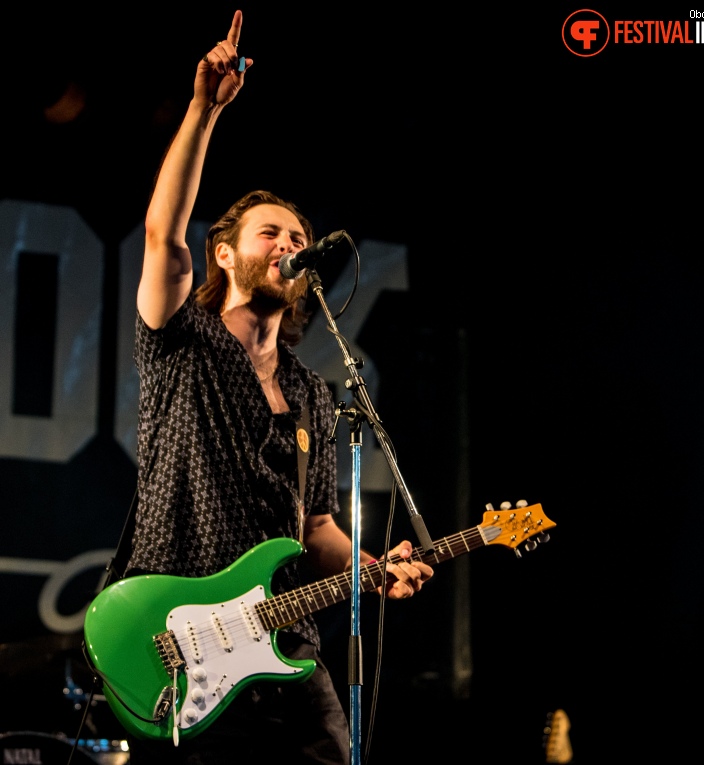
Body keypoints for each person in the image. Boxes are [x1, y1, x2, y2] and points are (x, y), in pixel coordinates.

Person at [123, 8, 434, 764]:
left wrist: (369, 567)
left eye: (298, 237)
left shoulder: (309, 388)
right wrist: (205, 110)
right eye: (271, 233)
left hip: (280, 638)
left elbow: (316, 524)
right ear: (224, 255)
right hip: (182, 633)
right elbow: (163, 234)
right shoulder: (182, 342)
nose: (290, 246)